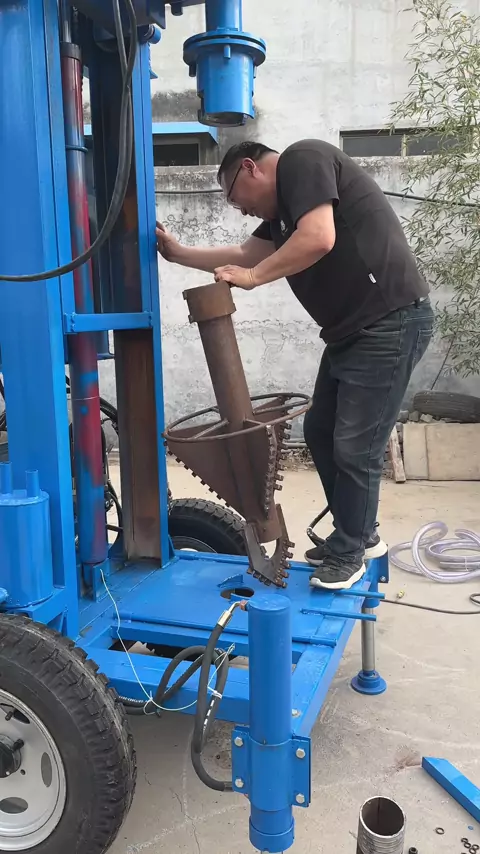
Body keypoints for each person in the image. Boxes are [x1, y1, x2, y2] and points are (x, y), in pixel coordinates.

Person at [156, 139, 434, 591]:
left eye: (234, 196)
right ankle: (358, 533)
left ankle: (351, 552)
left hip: (388, 323)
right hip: (351, 333)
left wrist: (252, 279)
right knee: (320, 431)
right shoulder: (283, 214)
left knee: (355, 446)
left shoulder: (303, 159)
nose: (239, 209)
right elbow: (245, 254)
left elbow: (319, 238)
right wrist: (178, 253)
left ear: (251, 168)